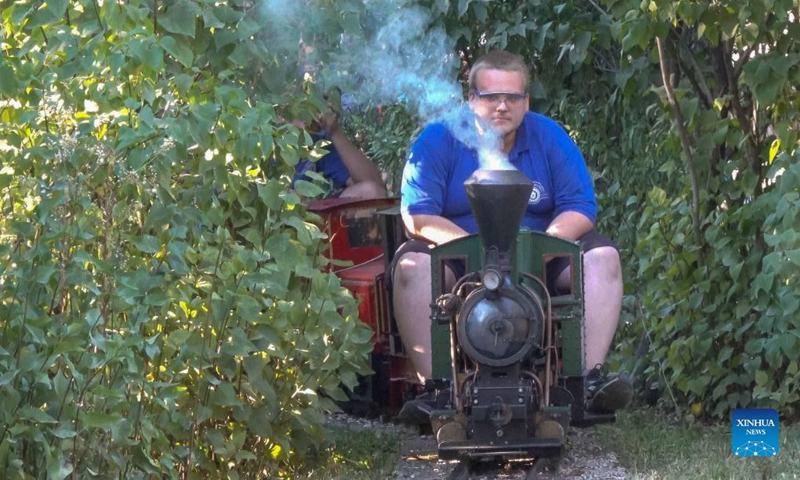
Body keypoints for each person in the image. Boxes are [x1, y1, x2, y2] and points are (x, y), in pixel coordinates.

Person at [391, 50, 632, 416]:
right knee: (411, 266)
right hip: (459, 258)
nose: (501, 106)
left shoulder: (550, 137)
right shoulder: (437, 139)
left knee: (602, 257)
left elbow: (580, 207)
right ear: (472, 100)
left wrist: (539, 249)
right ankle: (436, 389)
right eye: (490, 97)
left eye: (513, 97)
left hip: (539, 256)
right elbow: (418, 216)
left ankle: (585, 384)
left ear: (526, 101)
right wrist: (475, 251)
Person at [292, 104, 387, 199]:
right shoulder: (278, 141)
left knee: (370, 192)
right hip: (286, 209)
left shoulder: (318, 143)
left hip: (307, 211)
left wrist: (334, 131)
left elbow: (375, 187)